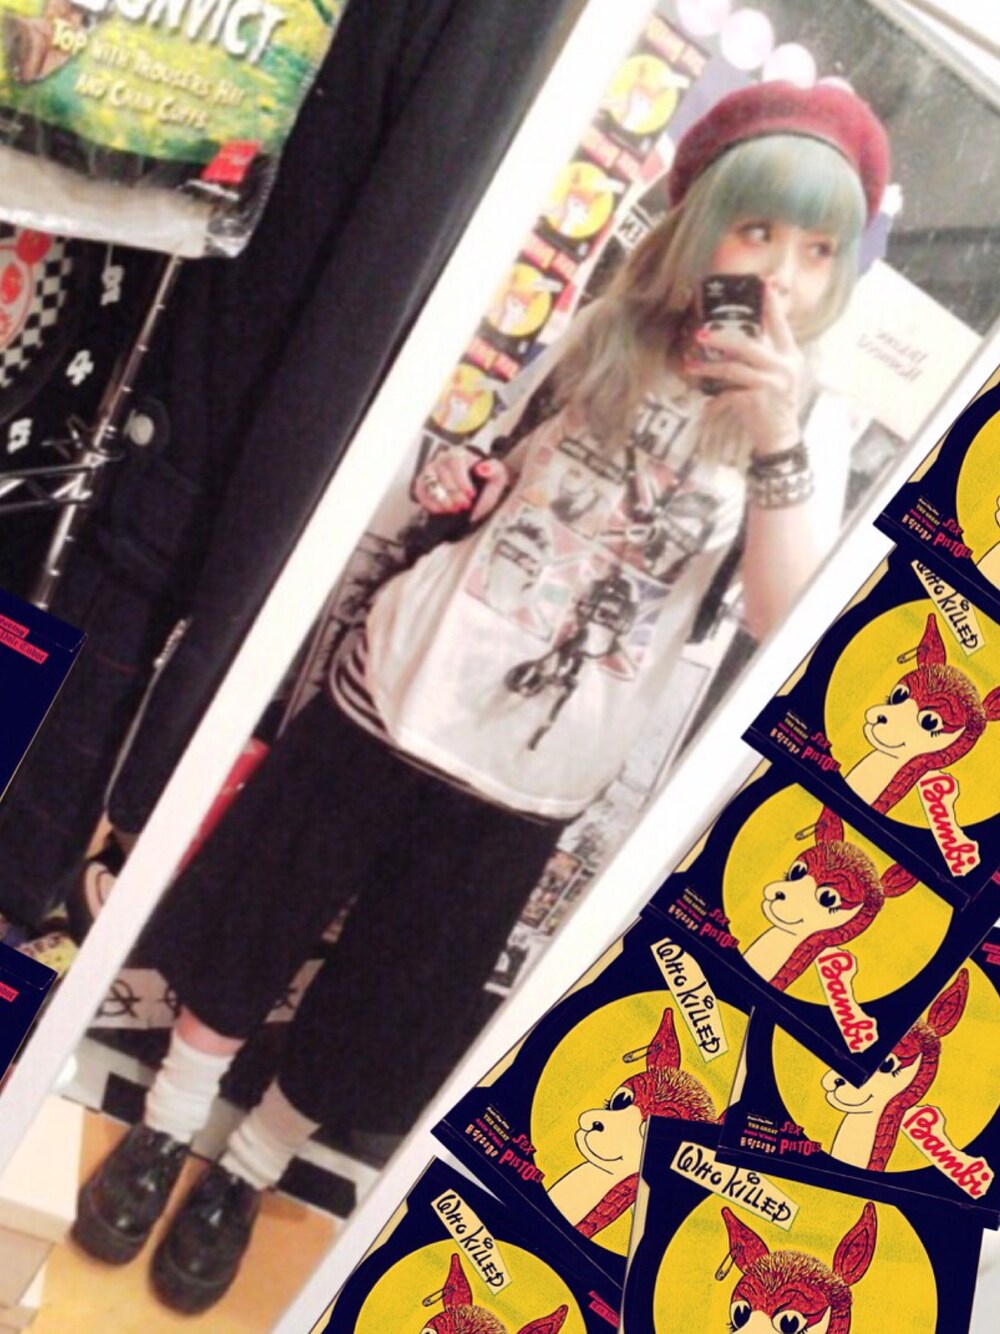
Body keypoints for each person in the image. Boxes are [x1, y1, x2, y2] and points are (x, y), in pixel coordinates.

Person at [71, 80, 889, 1314]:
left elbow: (783, 621)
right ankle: (170, 1123)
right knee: (256, 914)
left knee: (392, 993)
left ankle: (246, 1169)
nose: (780, 271)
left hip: (534, 774)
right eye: (758, 229)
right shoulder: (605, 333)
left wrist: (772, 427)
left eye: (817, 249)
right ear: (702, 221)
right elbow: (500, 472)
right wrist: (469, 481)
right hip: (398, 689)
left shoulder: (808, 428)